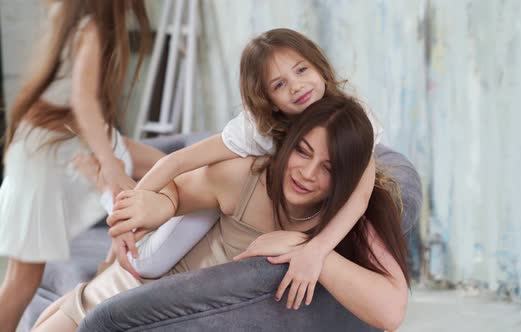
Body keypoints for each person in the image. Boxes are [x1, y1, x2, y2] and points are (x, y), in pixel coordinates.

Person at [32, 96, 409, 332]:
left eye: (329, 168)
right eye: (303, 152)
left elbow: (390, 313)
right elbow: (177, 187)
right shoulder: (249, 175)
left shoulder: (354, 214)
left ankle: (110, 167)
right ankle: (107, 172)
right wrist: (160, 204)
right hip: (136, 287)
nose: (307, 174)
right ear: (287, 144)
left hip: (172, 311)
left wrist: (311, 252)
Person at [110, 29, 384, 306]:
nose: (297, 86)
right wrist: (123, 222)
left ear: (320, 68)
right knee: (147, 263)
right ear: (269, 100)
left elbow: (360, 196)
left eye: (302, 70)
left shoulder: (354, 123)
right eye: (279, 85)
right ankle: (112, 184)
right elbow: (176, 161)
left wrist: (317, 250)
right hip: (213, 192)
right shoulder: (256, 131)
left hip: (225, 201)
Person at [0, 1, 151, 331]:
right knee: (22, 280)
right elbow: (83, 101)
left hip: (51, 142)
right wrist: (110, 167)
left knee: (19, 278)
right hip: (45, 151)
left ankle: (115, 256)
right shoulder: (90, 28)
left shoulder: (70, 17)